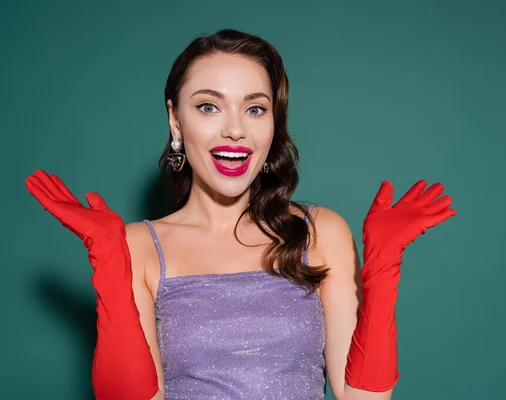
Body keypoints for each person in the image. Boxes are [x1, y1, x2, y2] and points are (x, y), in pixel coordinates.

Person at [25, 29, 455, 400]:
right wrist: (109, 264)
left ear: (274, 124)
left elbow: (361, 397)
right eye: (208, 106)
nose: (235, 128)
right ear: (176, 121)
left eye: (255, 108)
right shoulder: (137, 246)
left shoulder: (319, 232)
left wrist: (382, 267)